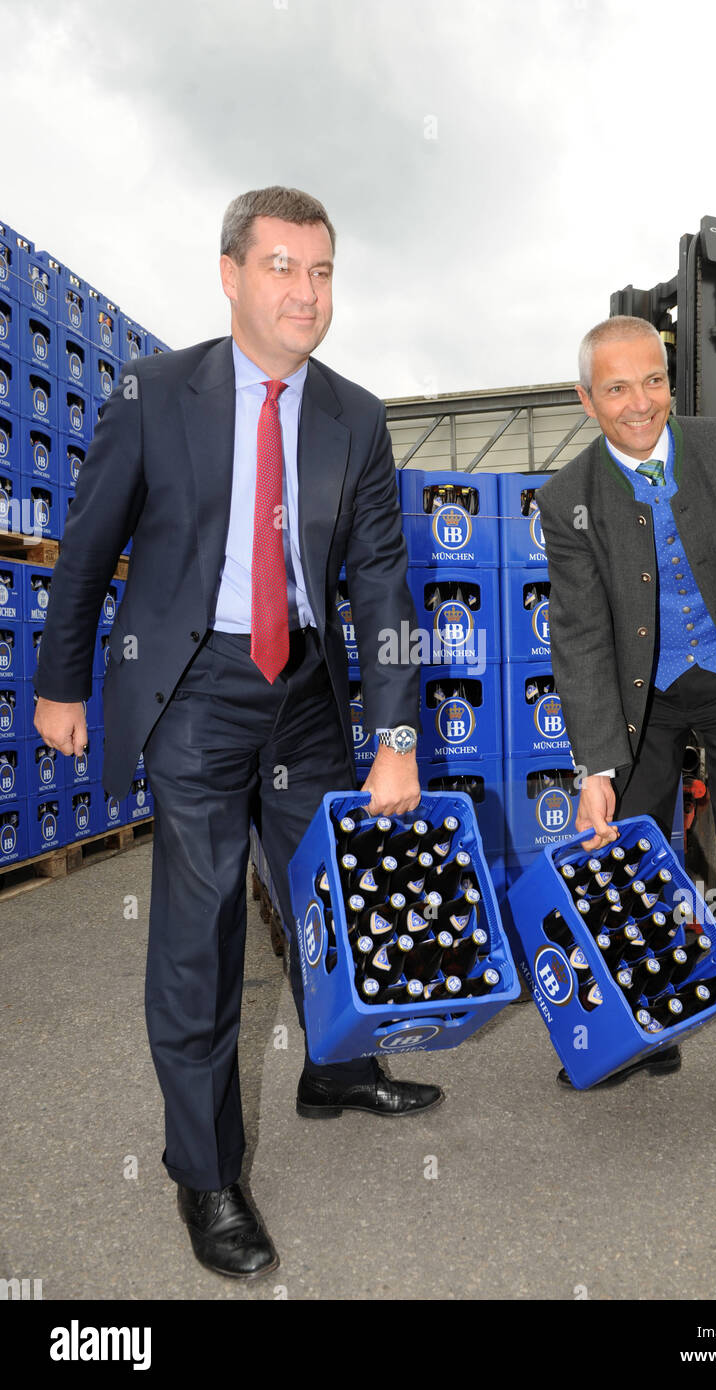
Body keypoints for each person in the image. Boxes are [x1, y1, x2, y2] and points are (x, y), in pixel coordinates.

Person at [32, 186, 438, 1280]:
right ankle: (205, 1175)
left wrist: (395, 731)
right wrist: (59, 683)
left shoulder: (354, 414)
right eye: (280, 267)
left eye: (321, 272)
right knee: (201, 933)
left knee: (331, 898)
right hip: (196, 687)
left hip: (302, 680)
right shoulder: (159, 392)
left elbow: (386, 587)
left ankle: (338, 1069)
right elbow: (87, 545)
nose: (304, 293)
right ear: (229, 273)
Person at [537, 316, 716, 1173]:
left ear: (670, 380)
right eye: (616, 389)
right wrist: (594, 766)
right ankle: (645, 1029)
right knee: (626, 869)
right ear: (587, 401)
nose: (640, 405)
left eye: (652, 381)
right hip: (642, 704)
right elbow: (581, 638)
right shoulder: (565, 501)